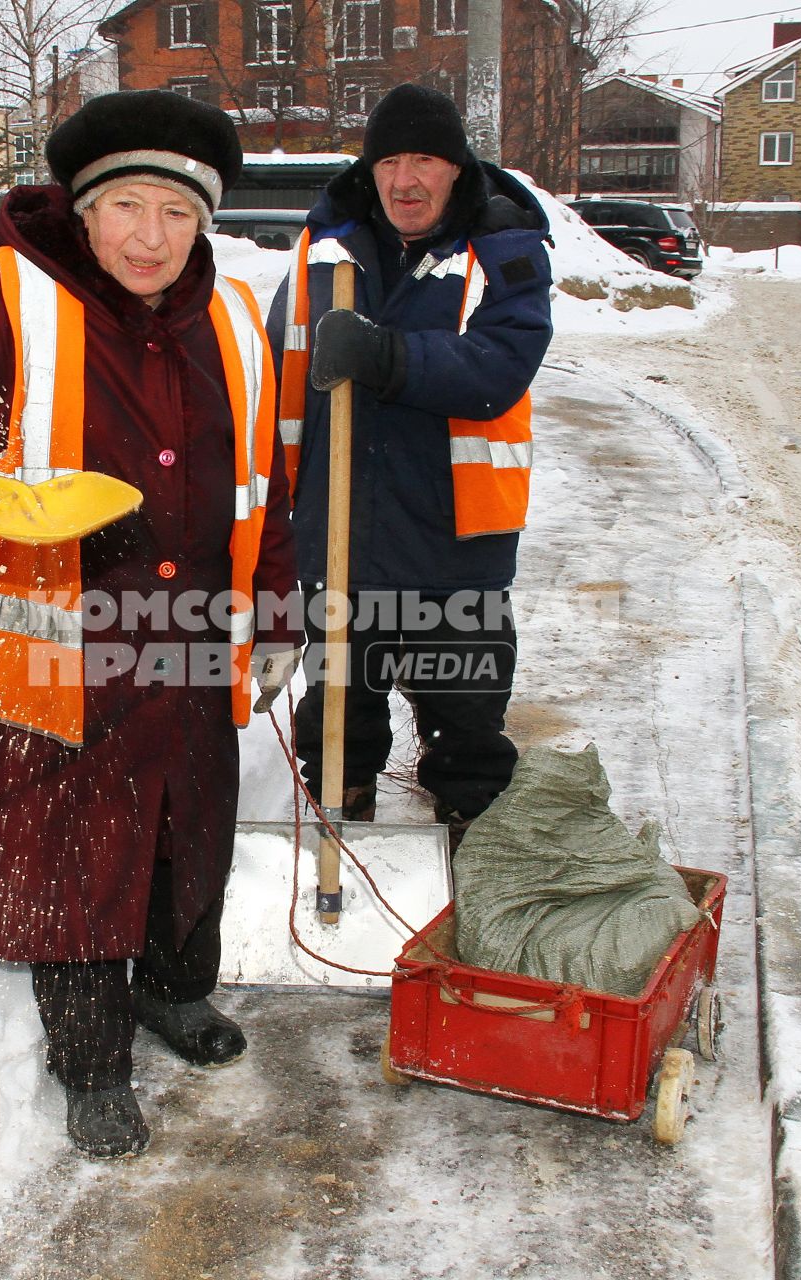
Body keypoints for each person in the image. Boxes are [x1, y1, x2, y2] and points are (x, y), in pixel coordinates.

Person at [0, 90, 300, 1160]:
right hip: (62, 658)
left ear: (206, 222)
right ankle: (89, 1066)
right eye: (127, 206)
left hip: (183, 642)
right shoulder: (16, 297)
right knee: (82, 866)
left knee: (190, 837)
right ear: (83, 212)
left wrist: (276, 614)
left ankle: (175, 995)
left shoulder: (229, 316)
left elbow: (267, 486)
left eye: (177, 214)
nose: (151, 236)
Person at [267, 83, 553, 842]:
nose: (404, 180)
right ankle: (340, 826)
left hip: (453, 539)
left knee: (466, 719)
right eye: (390, 160)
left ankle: (472, 841)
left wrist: (387, 356)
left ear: (456, 167)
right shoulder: (323, 246)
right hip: (339, 526)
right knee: (337, 717)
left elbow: (500, 366)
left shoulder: (503, 248)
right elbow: (275, 370)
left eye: (423, 160)